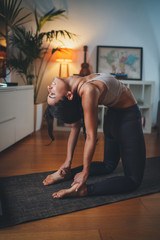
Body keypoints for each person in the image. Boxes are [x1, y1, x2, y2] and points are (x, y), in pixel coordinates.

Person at [43, 73, 146, 199]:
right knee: (133, 180)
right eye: (52, 94)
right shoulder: (87, 90)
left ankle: (68, 174)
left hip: (114, 117)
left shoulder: (75, 84)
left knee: (108, 165)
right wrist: (80, 170)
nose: (49, 88)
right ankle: (84, 190)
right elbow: (90, 136)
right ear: (68, 95)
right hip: (127, 118)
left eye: (50, 93)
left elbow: (76, 126)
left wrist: (71, 164)